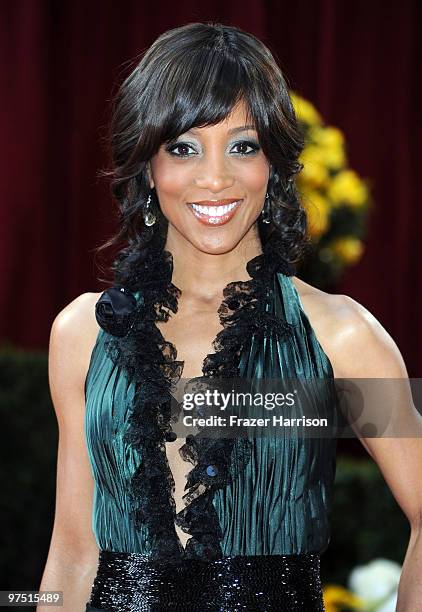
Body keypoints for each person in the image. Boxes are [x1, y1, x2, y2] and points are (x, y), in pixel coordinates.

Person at [38, 22, 422, 612]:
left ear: (275, 166)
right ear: (148, 166)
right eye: (184, 147)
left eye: (243, 146)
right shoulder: (83, 333)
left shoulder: (339, 333)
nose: (214, 178)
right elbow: (72, 549)